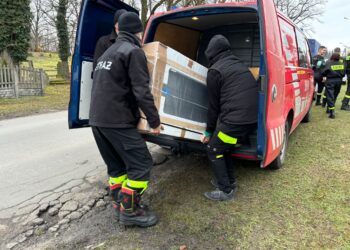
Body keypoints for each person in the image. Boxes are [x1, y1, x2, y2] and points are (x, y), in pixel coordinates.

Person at [89, 12, 162, 227]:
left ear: (120, 29)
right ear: (139, 32)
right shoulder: (133, 51)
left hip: (97, 121)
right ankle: (129, 212)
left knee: (117, 168)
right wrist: (154, 121)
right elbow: (142, 91)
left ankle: (119, 203)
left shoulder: (107, 52)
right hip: (117, 120)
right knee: (142, 165)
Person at [200, 35, 258, 201]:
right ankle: (229, 181)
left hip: (236, 120)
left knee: (214, 148)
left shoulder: (215, 71)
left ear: (211, 52)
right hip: (251, 119)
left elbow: (213, 107)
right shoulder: (238, 64)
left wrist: (208, 132)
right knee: (224, 148)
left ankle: (225, 190)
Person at [321, 53, 345, 119]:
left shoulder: (329, 63)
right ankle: (329, 109)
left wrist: (325, 75)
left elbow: (323, 72)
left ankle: (331, 112)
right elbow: (344, 73)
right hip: (339, 81)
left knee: (330, 95)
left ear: (332, 57)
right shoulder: (342, 64)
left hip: (330, 81)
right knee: (335, 95)